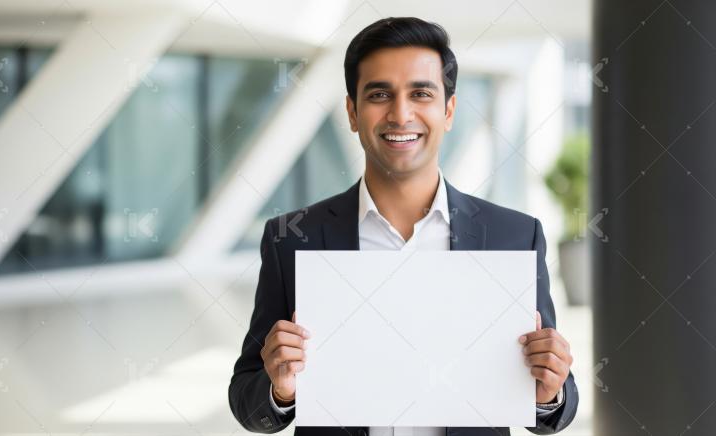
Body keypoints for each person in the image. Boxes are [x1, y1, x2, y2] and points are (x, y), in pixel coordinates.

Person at [229, 16, 578, 436]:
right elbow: (247, 402)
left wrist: (549, 392)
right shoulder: (291, 238)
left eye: (420, 93)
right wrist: (281, 391)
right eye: (380, 94)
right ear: (352, 112)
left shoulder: (514, 237)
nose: (400, 113)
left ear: (448, 110)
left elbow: (556, 406)